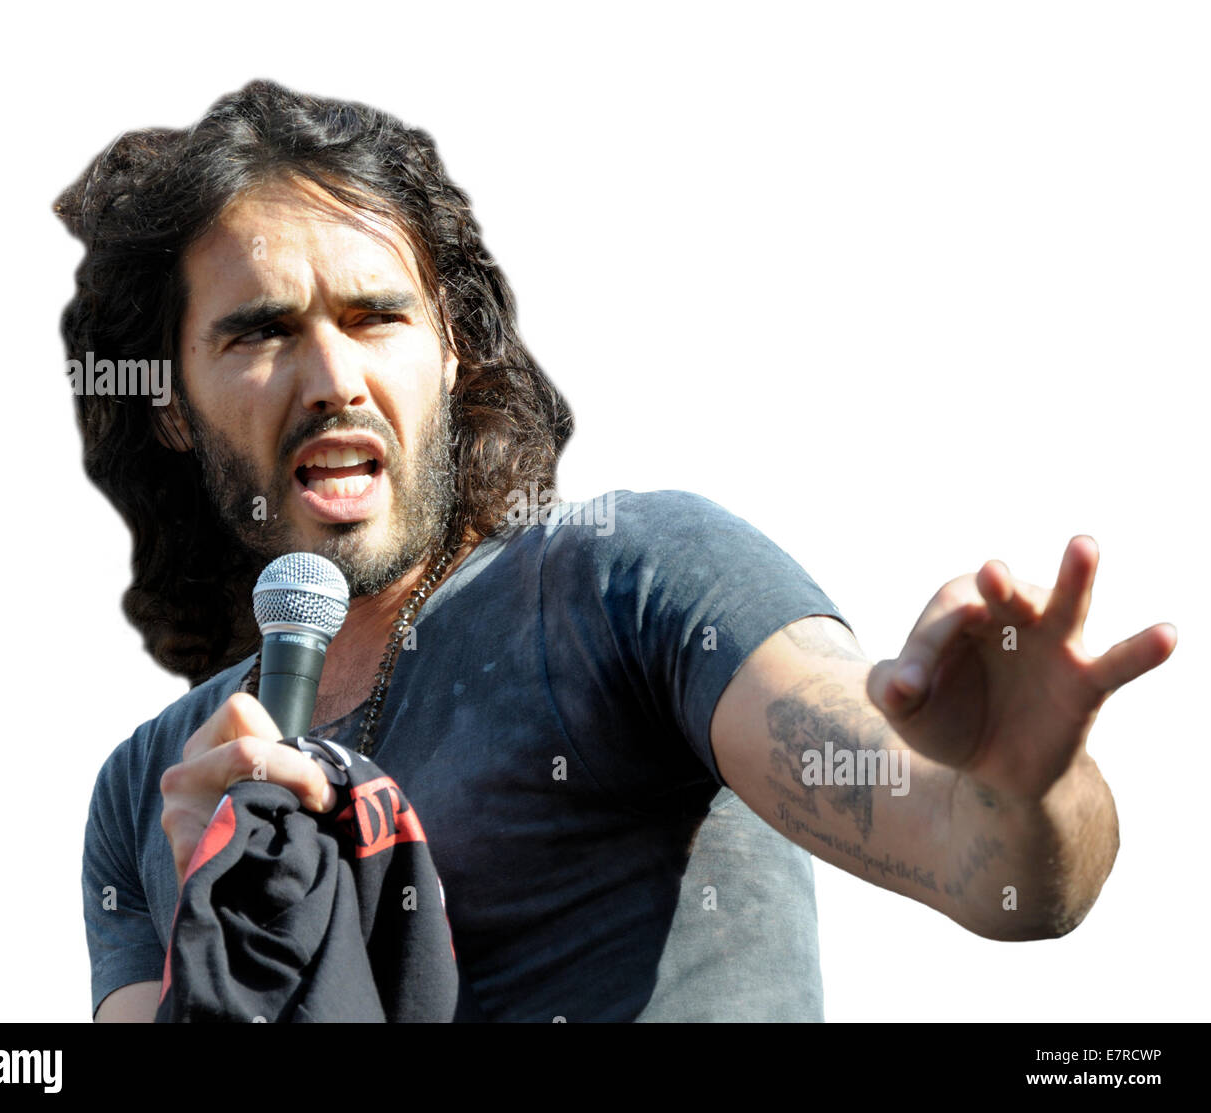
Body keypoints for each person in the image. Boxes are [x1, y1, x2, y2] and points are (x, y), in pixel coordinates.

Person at [60, 80, 1177, 1023]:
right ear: (168, 401)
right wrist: (216, 925)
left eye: (376, 318)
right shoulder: (141, 792)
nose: (333, 379)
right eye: (258, 333)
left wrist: (1017, 786)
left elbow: (992, 871)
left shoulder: (628, 583)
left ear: (450, 351)